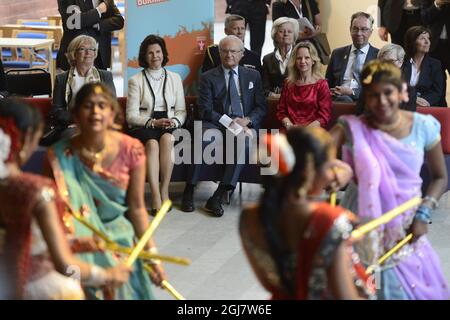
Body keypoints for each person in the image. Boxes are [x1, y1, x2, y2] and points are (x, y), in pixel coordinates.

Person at [331, 60, 450, 300]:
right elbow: (319, 160)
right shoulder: (350, 127)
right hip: (359, 223)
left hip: (405, 226)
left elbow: (439, 177)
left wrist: (424, 214)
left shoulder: (423, 126)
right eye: (374, 95)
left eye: (388, 93)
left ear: (402, 91)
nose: (382, 101)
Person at [0, 99, 131, 299]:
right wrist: (104, 275)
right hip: (36, 290)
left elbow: (22, 237)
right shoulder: (36, 191)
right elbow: (65, 266)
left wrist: (73, 242)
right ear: (24, 140)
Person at [46, 83, 166, 299]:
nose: (95, 112)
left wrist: (152, 257)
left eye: (102, 105)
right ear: (75, 115)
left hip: (120, 242)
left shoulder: (132, 150)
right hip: (75, 247)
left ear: (113, 114)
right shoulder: (59, 155)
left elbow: (137, 208)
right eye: (88, 106)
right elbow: (52, 215)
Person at [240, 127, 376, 300]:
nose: (331, 175)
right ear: (308, 172)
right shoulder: (329, 220)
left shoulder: (249, 218)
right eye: (329, 167)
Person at [181, 35, 267, 217]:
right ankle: (189, 189)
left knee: (243, 141)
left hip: (243, 125)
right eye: (225, 51)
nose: (229, 55)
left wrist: (247, 121)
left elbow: (261, 106)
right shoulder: (207, 77)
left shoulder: (253, 75)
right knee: (203, 137)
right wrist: (229, 122)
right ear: (219, 53)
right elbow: (205, 109)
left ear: (242, 54)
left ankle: (218, 196)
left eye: (233, 51)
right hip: (216, 122)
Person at [127, 35, 186, 215]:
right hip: (145, 124)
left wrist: (174, 121)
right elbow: (130, 116)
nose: (155, 56)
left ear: (164, 53)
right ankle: (154, 195)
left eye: (158, 52)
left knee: (168, 139)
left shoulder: (175, 78)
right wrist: (152, 122)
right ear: (144, 56)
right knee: (152, 145)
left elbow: (181, 111)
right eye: (150, 53)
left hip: (168, 122)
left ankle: (164, 190)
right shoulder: (135, 80)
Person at [45, 35, 116, 146]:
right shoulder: (62, 79)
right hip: (72, 126)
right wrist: (77, 120)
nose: (88, 53)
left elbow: (112, 106)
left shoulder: (105, 76)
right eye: (82, 49)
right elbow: (57, 110)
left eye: (91, 49)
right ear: (74, 54)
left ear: (95, 53)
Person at [276, 41, 332, 129]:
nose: (302, 61)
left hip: (313, 132)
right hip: (290, 130)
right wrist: (290, 126)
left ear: (313, 60)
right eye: (299, 58)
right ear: (294, 61)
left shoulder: (321, 84)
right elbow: (281, 112)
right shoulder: (288, 83)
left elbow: (324, 116)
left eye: (307, 58)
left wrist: (304, 131)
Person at [325, 12, 379, 102]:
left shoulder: (378, 56)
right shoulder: (337, 53)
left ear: (371, 32)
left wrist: (352, 92)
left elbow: (378, 88)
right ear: (350, 29)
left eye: (364, 29)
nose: (359, 33)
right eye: (355, 29)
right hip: (337, 99)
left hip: (365, 102)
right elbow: (327, 84)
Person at [57, 0, 124, 70]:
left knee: (102, 80)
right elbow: (74, 21)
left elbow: (119, 21)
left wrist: (98, 24)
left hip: (100, 56)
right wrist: (99, 10)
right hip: (75, 56)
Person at [356, 43, 416, 114]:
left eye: (391, 61)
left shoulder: (409, 91)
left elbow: (409, 119)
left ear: (401, 62)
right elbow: (359, 114)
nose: (386, 65)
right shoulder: (369, 87)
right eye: (383, 62)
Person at [402, 26, 446, 107]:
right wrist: (413, 99)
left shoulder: (435, 64)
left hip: (426, 106)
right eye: (422, 38)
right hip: (404, 105)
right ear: (412, 41)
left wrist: (425, 102)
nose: (427, 42)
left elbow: (437, 91)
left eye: (428, 38)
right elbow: (396, 87)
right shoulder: (401, 62)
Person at [262, 17, 299, 98]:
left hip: (297, 101)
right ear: (275, 35)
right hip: (274, 102)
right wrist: (276, 96)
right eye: (281, 31)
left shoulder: (300, 57)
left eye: (290, 31)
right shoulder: (267, 59)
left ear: (294, 36)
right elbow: (265, 88)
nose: (286, 34)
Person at [421, 0, 450, 105]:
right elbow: (425, 17)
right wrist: (437, 4)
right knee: (438, 84)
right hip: (434, 47)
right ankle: (442, 113)